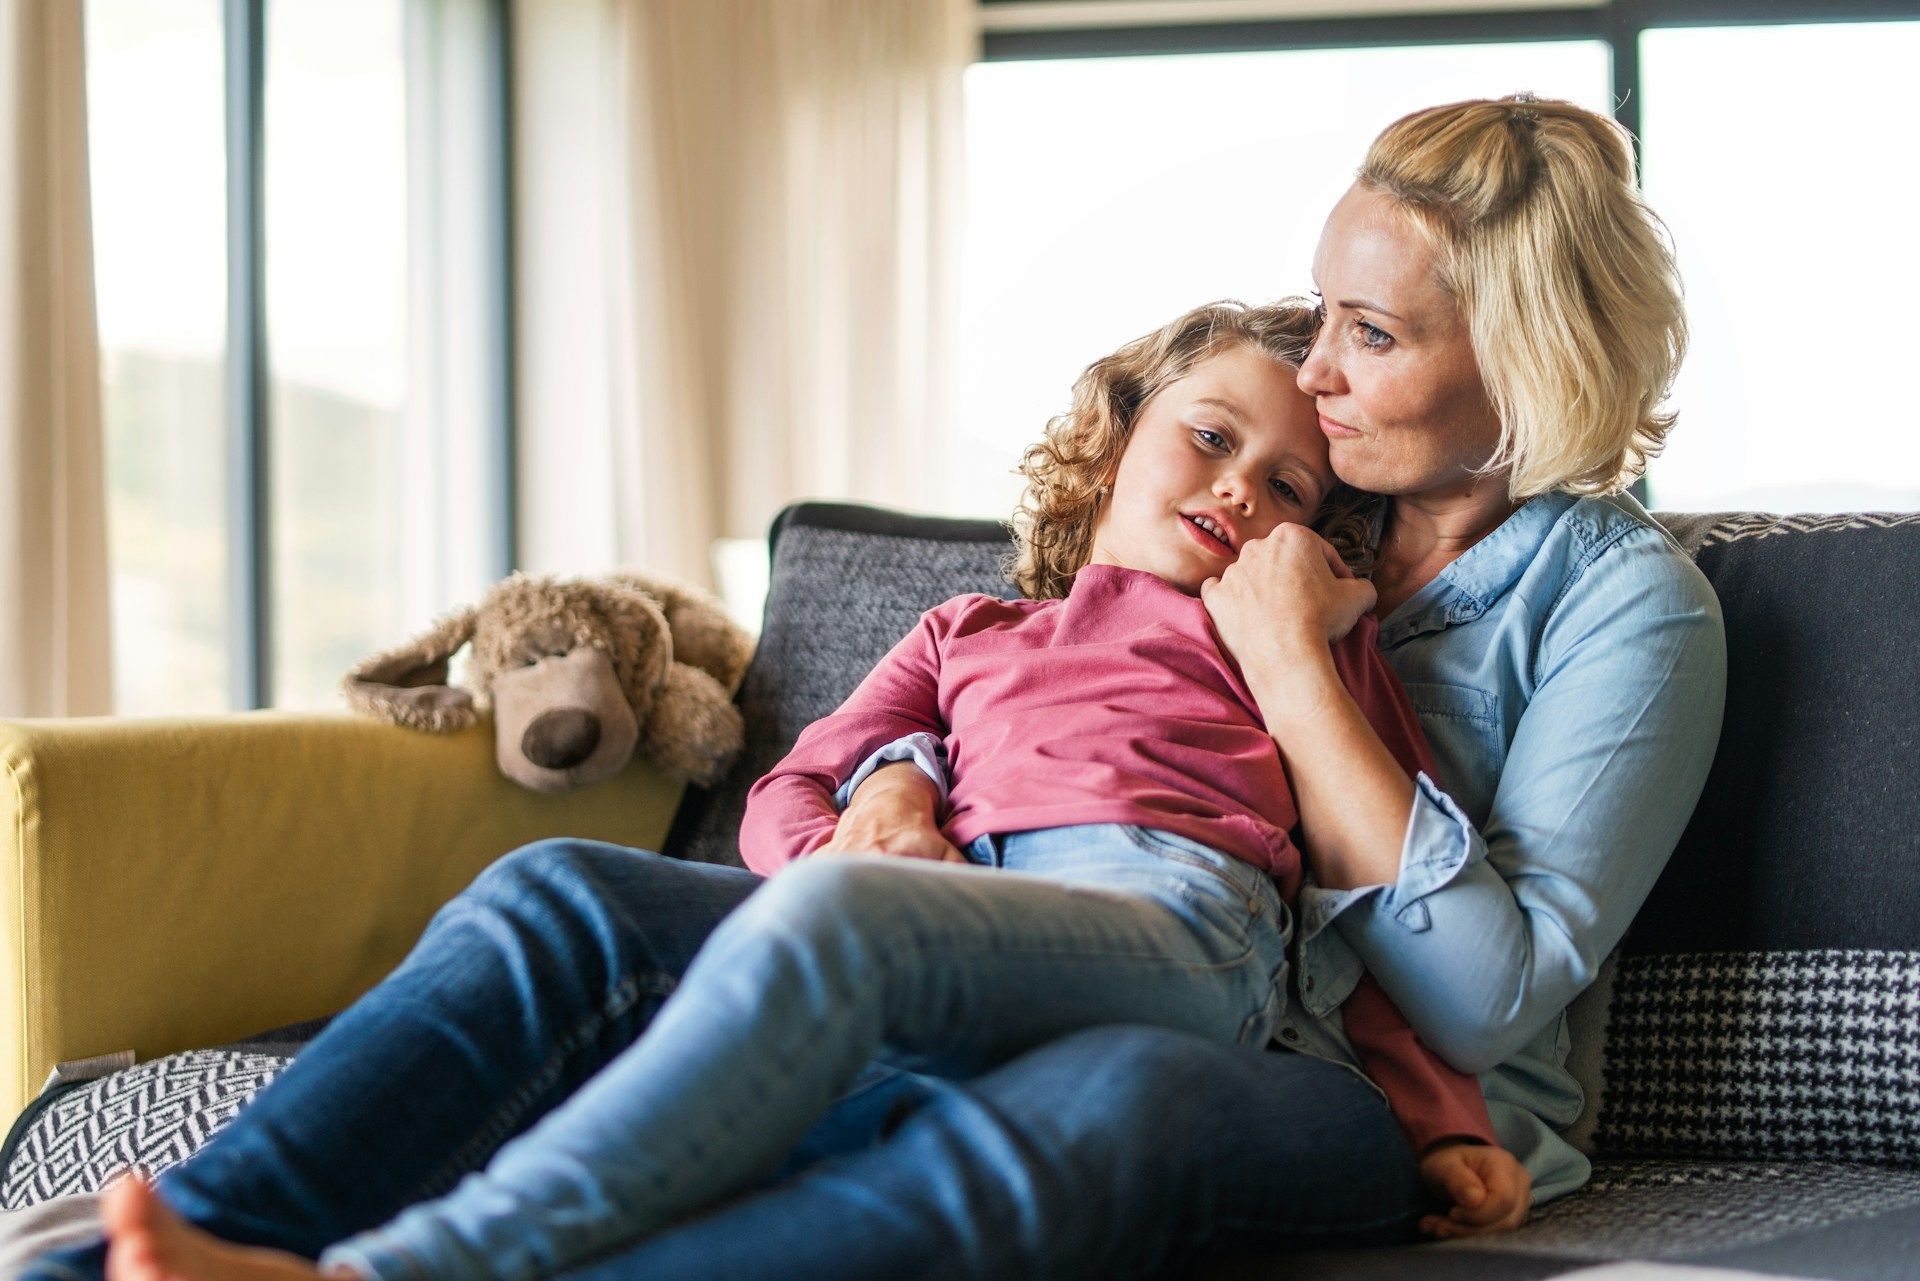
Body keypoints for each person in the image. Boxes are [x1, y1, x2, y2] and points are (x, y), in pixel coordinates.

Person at [28, 92, 1726, 1281]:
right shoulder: (1254, 517)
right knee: (563, 899)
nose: (1314, 366)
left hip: (1315, 1070)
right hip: (1001, 924)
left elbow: (1488, 994)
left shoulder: (1588, 603)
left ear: (1523, 360)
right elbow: (994, 692)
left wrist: (1292, 661)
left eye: (1371, 335)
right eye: (1320, 321)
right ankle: (133, 1259)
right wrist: (884, 789)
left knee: (1096, 1109)